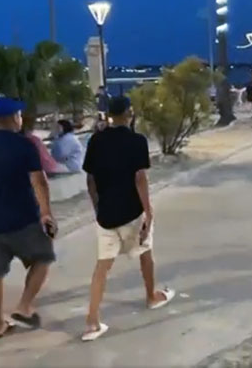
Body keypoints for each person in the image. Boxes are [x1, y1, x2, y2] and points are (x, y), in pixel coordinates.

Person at [81, 97, 173, 341]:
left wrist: (97, 205)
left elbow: (90, 179)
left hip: (106, 214)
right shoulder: (137, 141)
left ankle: (92, 321)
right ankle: (151, 296)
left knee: (102, 266)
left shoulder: (96, 140)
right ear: (128, 113)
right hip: (132, 211)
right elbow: (139, 178)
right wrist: (148, 211)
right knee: (145, 252)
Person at [0, 97, 56, 339]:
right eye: (19, 115)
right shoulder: (24, 145)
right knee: (44, 256)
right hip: (23, 218)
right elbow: (39, 181)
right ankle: (24, 306)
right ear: (14, 118)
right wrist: (46, 212)